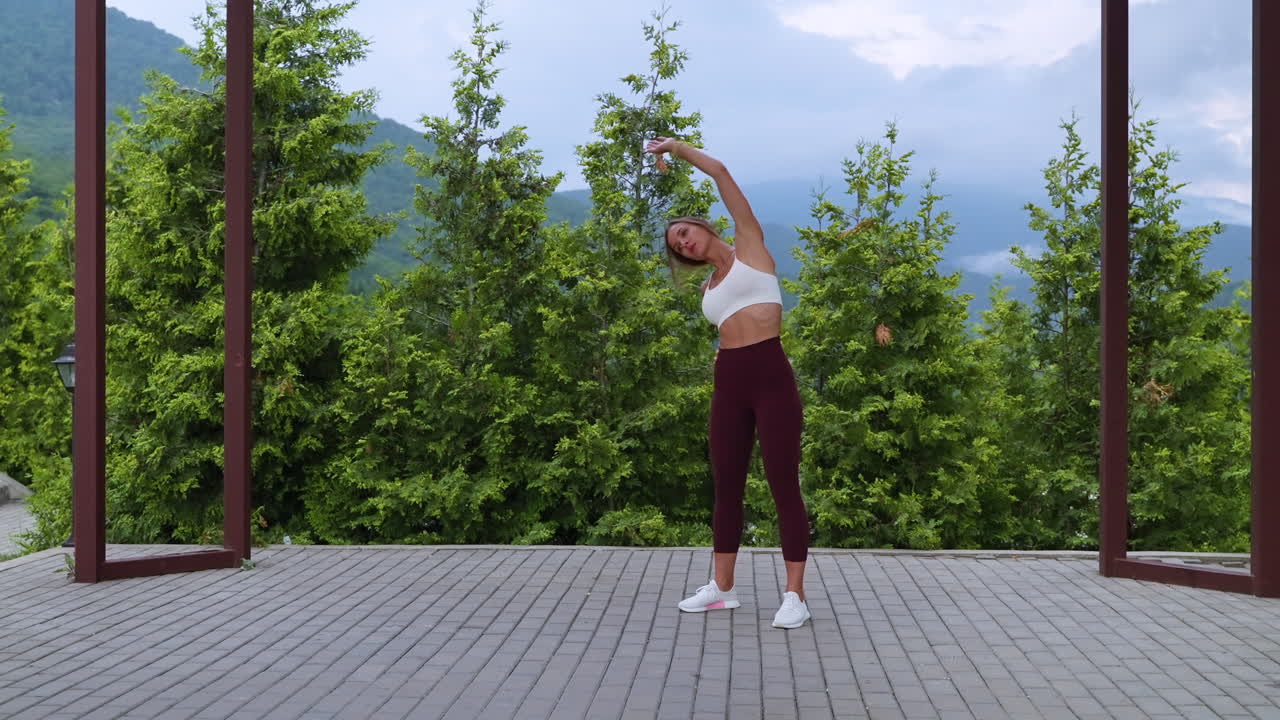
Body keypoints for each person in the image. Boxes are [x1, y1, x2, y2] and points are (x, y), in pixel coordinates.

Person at [645, 137, 810, 629]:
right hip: (729, 383)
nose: (683, 242)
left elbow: (719, 173)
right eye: (677, 244)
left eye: (685, 232)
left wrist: (675, 148)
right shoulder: (708, 287)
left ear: (702, 226)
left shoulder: (751, 248)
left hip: (770, 374)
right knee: (726, 485)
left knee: (784, 484)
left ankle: (795, 596)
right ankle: (722, 587)